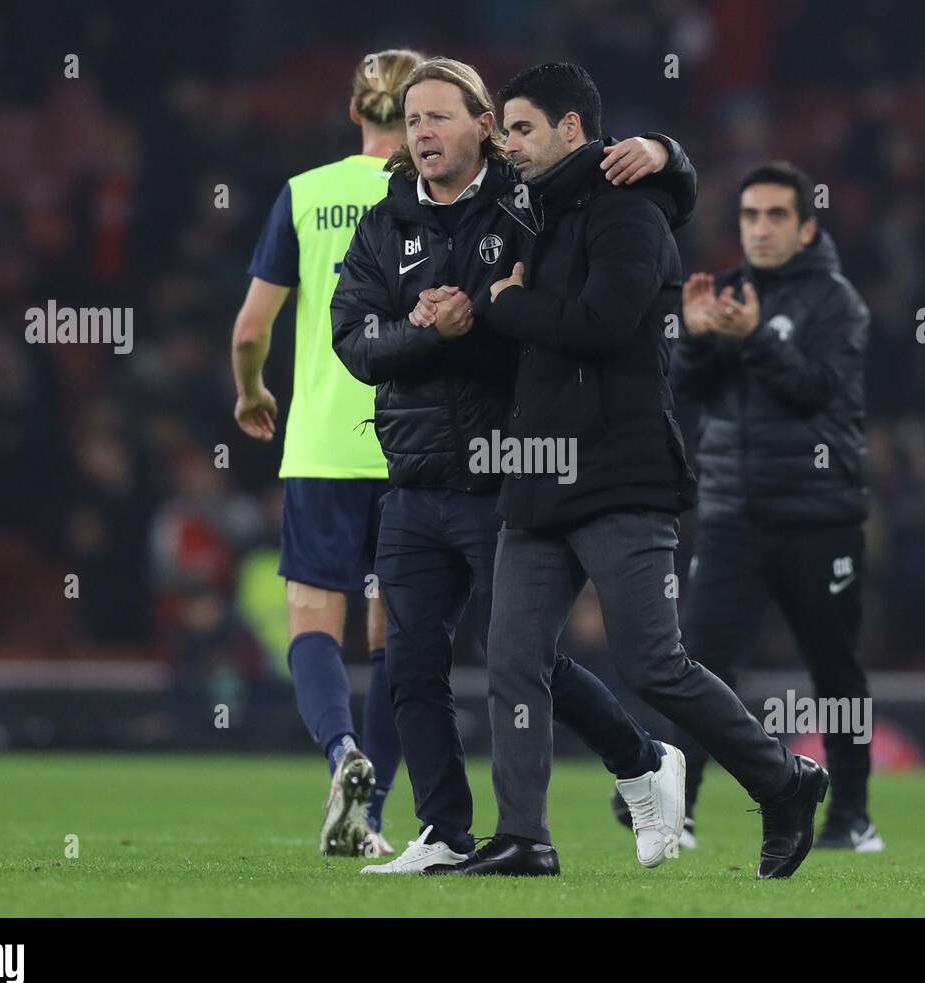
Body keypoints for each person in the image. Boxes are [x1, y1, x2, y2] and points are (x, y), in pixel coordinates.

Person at [435, 64, 828, 880]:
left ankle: (783, 781)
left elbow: (604, 323)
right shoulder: (529, 212)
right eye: (503, 130)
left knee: (655, 662)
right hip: (536, 472)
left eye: (522, 128)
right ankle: (523, 837)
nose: (508, 144)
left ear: (573, 129)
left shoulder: (631, 212)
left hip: (621, 470)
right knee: (512, 658)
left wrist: (507, 303)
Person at [332, 56, 696, 876]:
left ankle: (637, 760)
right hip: (414, 475)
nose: (421, 132)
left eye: (438, 116)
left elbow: (645, 202)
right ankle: (445, 832)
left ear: (483, 126)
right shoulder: (383, 224)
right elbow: (352, 342)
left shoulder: (525, 198)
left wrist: (670, 152)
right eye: (411, 120)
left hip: (508, 469)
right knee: (410, 661)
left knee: (521, 659)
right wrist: (429, 332)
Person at [231, 49, 421, 858]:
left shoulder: (306, 194)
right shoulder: (433, 191)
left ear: (355, 113)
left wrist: (251, 392)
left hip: (318, 446)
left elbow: (250, 329)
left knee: (313, 617)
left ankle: (341, 751)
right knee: (398, 634)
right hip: (414, 442)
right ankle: (372, 814)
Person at [659, 161, 878, 851]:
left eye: (776, 215)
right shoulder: (725, 293)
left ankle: (850, 815)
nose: (759, 228)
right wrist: (695, 339)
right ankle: (681, 810)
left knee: (833, 668)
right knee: (699, 663)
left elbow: (816, 388)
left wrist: (752, 338)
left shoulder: (837, 302)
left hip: (819, 515)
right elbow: (686, 391)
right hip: (731, 514)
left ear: (807, 227)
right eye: (750, 215)